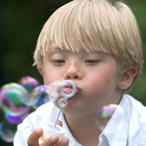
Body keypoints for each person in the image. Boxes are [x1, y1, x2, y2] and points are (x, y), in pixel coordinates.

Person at [14, 0, 146, 145]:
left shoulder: (141, 131)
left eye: (91, 60)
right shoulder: (31, 129)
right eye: (58, 61)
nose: (71, 71)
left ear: (124, 76)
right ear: (42, 71)